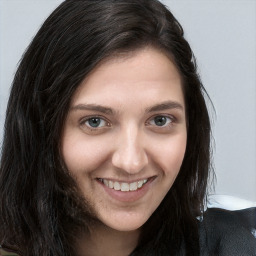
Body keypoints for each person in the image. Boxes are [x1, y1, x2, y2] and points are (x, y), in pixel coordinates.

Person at [0, 0, 255, 255]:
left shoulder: (240, 239)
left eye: (159, 120)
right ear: (40, 127)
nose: (131, 163)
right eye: (95, 122)